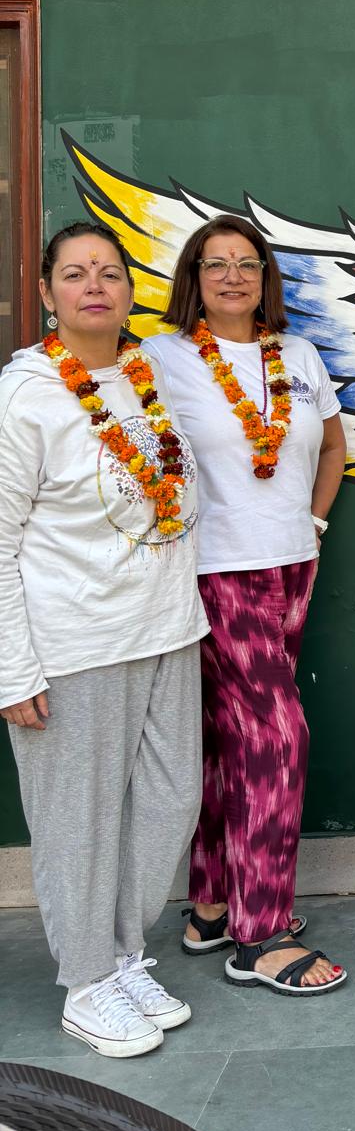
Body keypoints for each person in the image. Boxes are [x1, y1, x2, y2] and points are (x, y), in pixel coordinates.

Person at [0, 223, 207, 1057]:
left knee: (168, 803)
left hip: (166, 628)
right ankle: (84, 981)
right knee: (77, 821)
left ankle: (124, 955)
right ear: (47, 293)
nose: (96, 286)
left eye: (111, 274)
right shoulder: (26, 396)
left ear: (129, 291)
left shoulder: (144, 369)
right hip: (74, 644)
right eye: (76, 275)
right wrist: (11, 668)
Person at [143, 214, 347, 996]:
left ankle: (211, 902)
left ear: (266, 280)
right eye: (215, 264)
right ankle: (260, 934)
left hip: (293, 564)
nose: (233, 277)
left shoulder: (295, 354)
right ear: (191, 278)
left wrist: (316, 523)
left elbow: (332, 446)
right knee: (278, 735)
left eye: (248, 264)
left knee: (234, 737)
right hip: (215, 571)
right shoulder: (158, 358)